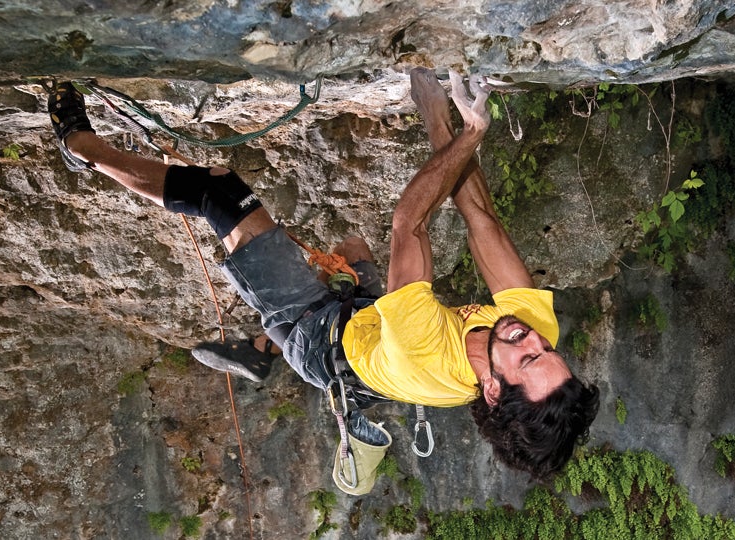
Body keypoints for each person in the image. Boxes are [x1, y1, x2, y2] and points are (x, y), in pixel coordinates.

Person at [47, 68, 599, 479]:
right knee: (352, 248)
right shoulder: (531, 333)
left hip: (322, 341)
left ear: (494, 391)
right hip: (370, 336)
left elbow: (410, 223)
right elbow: (480, 218)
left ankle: (80, 146)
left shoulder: (426, 349)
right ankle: (262, 350)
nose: (534, 338)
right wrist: (438, 109)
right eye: (550, 351)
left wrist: (466, 133)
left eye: (529, 358)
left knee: (220, 193)